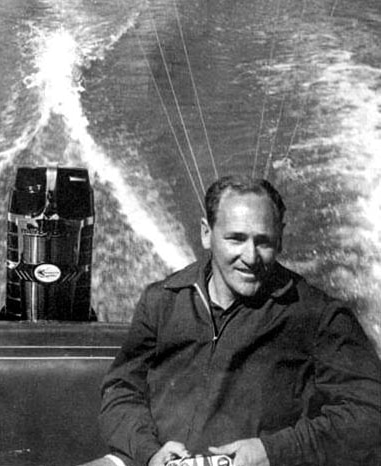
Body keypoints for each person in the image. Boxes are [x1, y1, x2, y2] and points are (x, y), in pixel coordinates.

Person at [99, 175, 381, 466]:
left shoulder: (318, 315)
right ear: (206, 234)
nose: (250, 256)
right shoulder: (162, 301)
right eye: (235, 239)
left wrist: (272, 452)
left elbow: (369, 412)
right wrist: (148, 452)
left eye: (263, 242)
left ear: (280, 237)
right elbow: (122, 390)